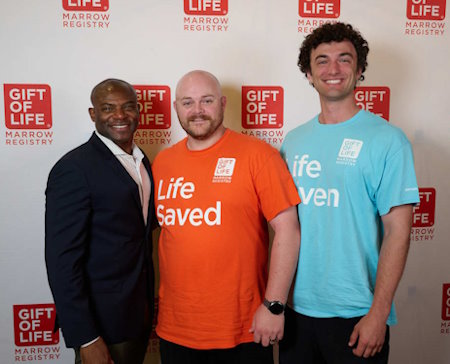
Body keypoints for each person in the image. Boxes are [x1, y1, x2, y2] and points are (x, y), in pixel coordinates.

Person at [279, 22, 420, 363]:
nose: (333, 69)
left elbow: (398, 231)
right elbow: (284, 230)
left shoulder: (388, 140)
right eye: (322, 60)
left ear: (359, 70)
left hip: (358, 313)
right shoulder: (293, 141)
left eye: (345, 59)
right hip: (296, 311)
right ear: (309, 74)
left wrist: (379, 313)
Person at [152, 70, 301, 364]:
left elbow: (288, 230)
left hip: (243, 328)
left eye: (206, 101)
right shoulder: (163, 162)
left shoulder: (258, 155)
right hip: (175, 329)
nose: (197, 111)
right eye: (187, 102)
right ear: (176, 108)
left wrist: (274, 306)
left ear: (222, 103)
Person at [45, 79, 156, 364]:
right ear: (93, 114)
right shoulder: (74, 168)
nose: (119, 115)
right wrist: (85, 337)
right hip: (101, 324)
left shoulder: (143, 162)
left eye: (127, 107)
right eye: (108, 108)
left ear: (138, 111)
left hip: (139, 315)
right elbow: (62, 260)